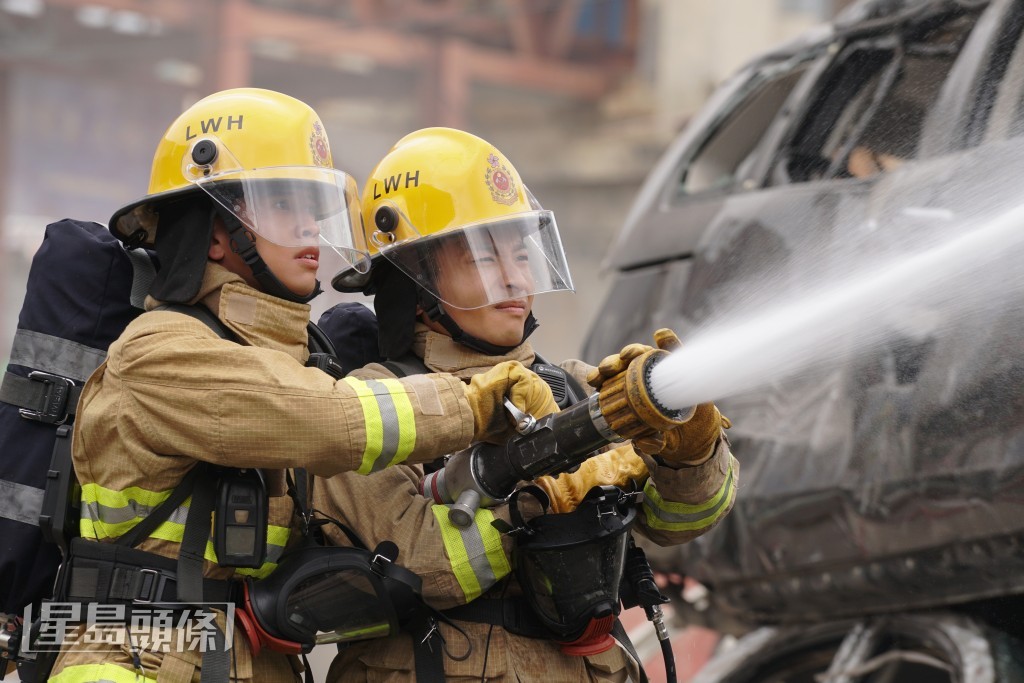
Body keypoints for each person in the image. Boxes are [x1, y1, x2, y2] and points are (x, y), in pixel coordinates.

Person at [47, 91, 557, 683]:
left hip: (244, 660)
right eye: (282, 205)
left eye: (315, 207)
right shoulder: (161, 351)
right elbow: (328, 421)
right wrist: (477, 405)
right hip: (136, 661)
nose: (310, 227)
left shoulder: (289, 359)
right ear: (215, 235)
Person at [316, 128, 739, 682]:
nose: (516, 277)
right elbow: (427, 568)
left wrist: (688, 452)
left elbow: (680, 523)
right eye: (485, 257)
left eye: (522, 253)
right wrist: (549, 491)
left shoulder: (573, 390)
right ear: (414, 278)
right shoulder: (364, 407)